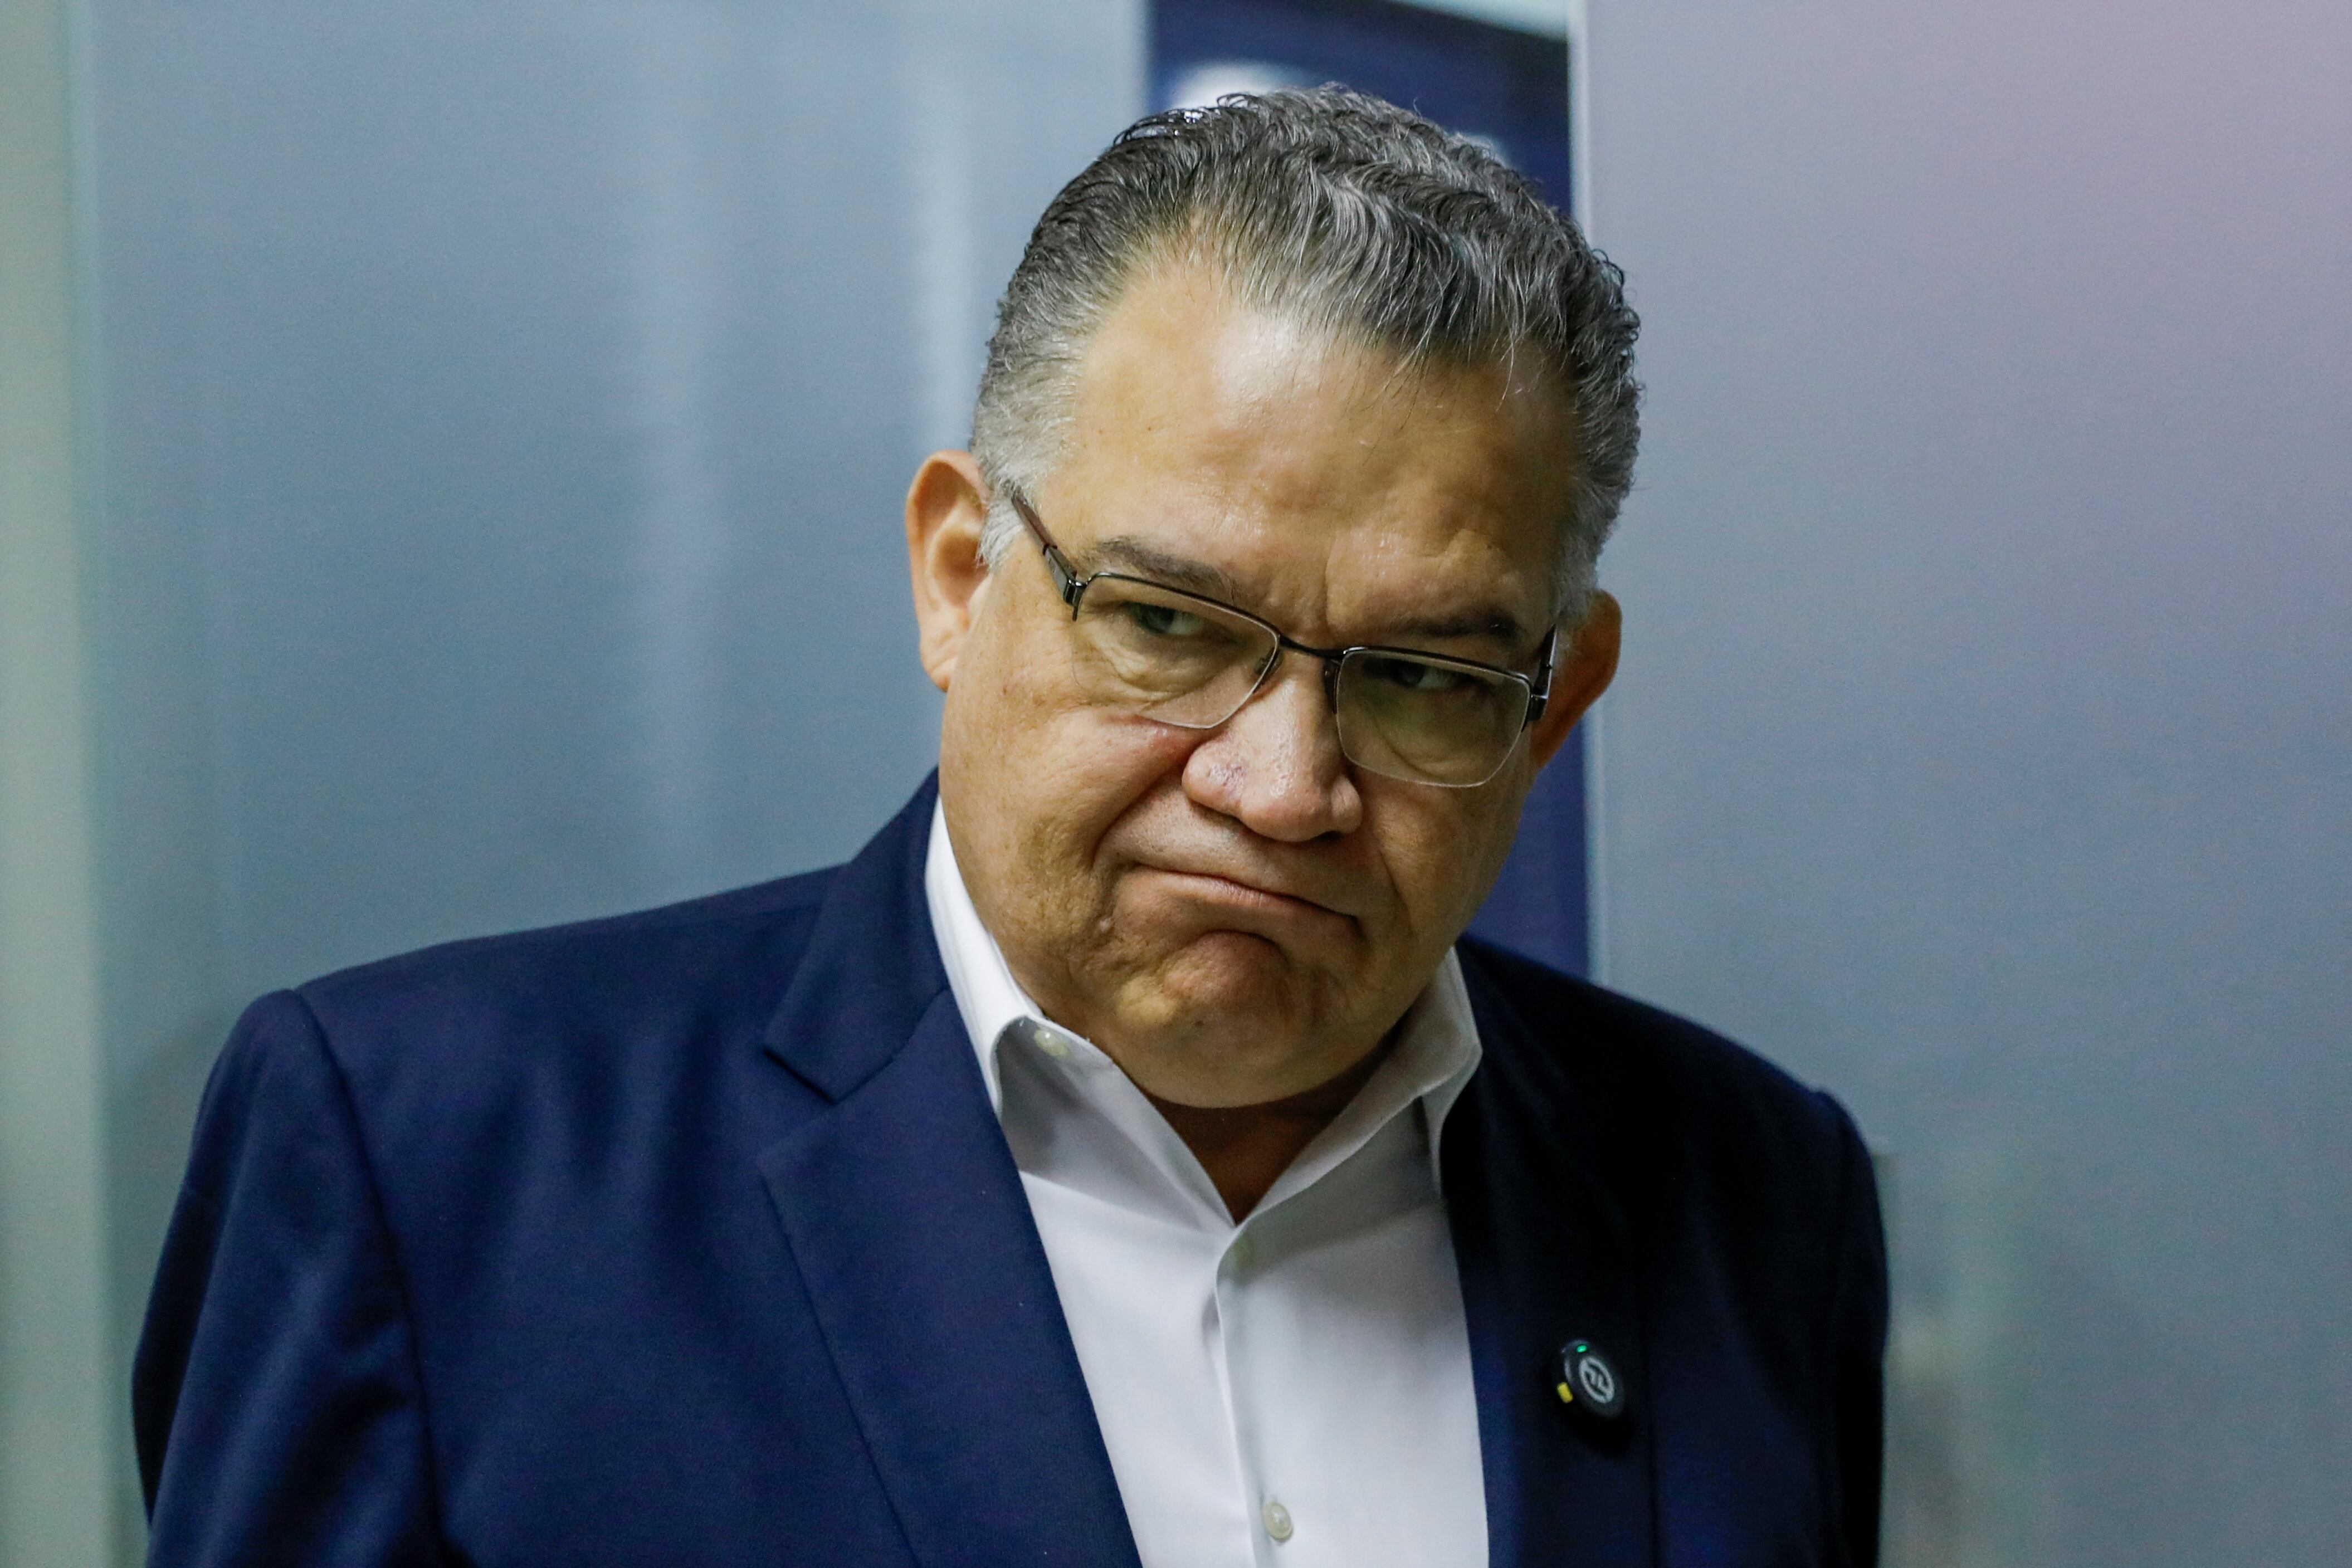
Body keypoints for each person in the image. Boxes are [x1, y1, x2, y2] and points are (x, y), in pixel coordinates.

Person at [135, 89, 1885, 1567]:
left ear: (1557, 701)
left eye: (1424, 675)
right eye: (1172, 623)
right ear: (961, 580)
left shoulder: (1747, 1197)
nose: (1281, 788)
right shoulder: (437, 1170)